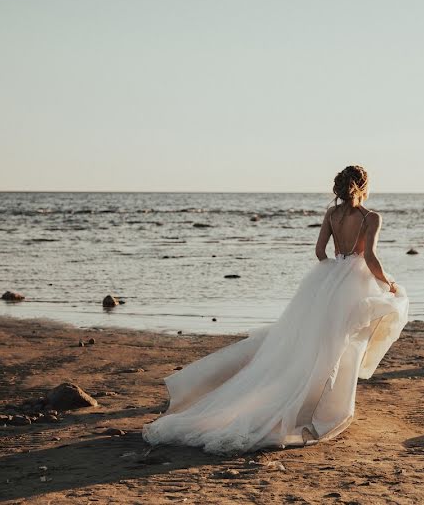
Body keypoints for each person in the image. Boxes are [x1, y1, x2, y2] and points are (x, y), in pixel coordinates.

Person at [143, 165, 409, 454]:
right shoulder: (371, 217)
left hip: (328, 283)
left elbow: (320, 252)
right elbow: (369, 256)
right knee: (340, 345)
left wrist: (332, 271)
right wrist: (388, 283)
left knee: (311, 344)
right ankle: (323, 408)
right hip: (354, 284)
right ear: (365, 186)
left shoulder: (332, 215)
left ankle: (307, 400)